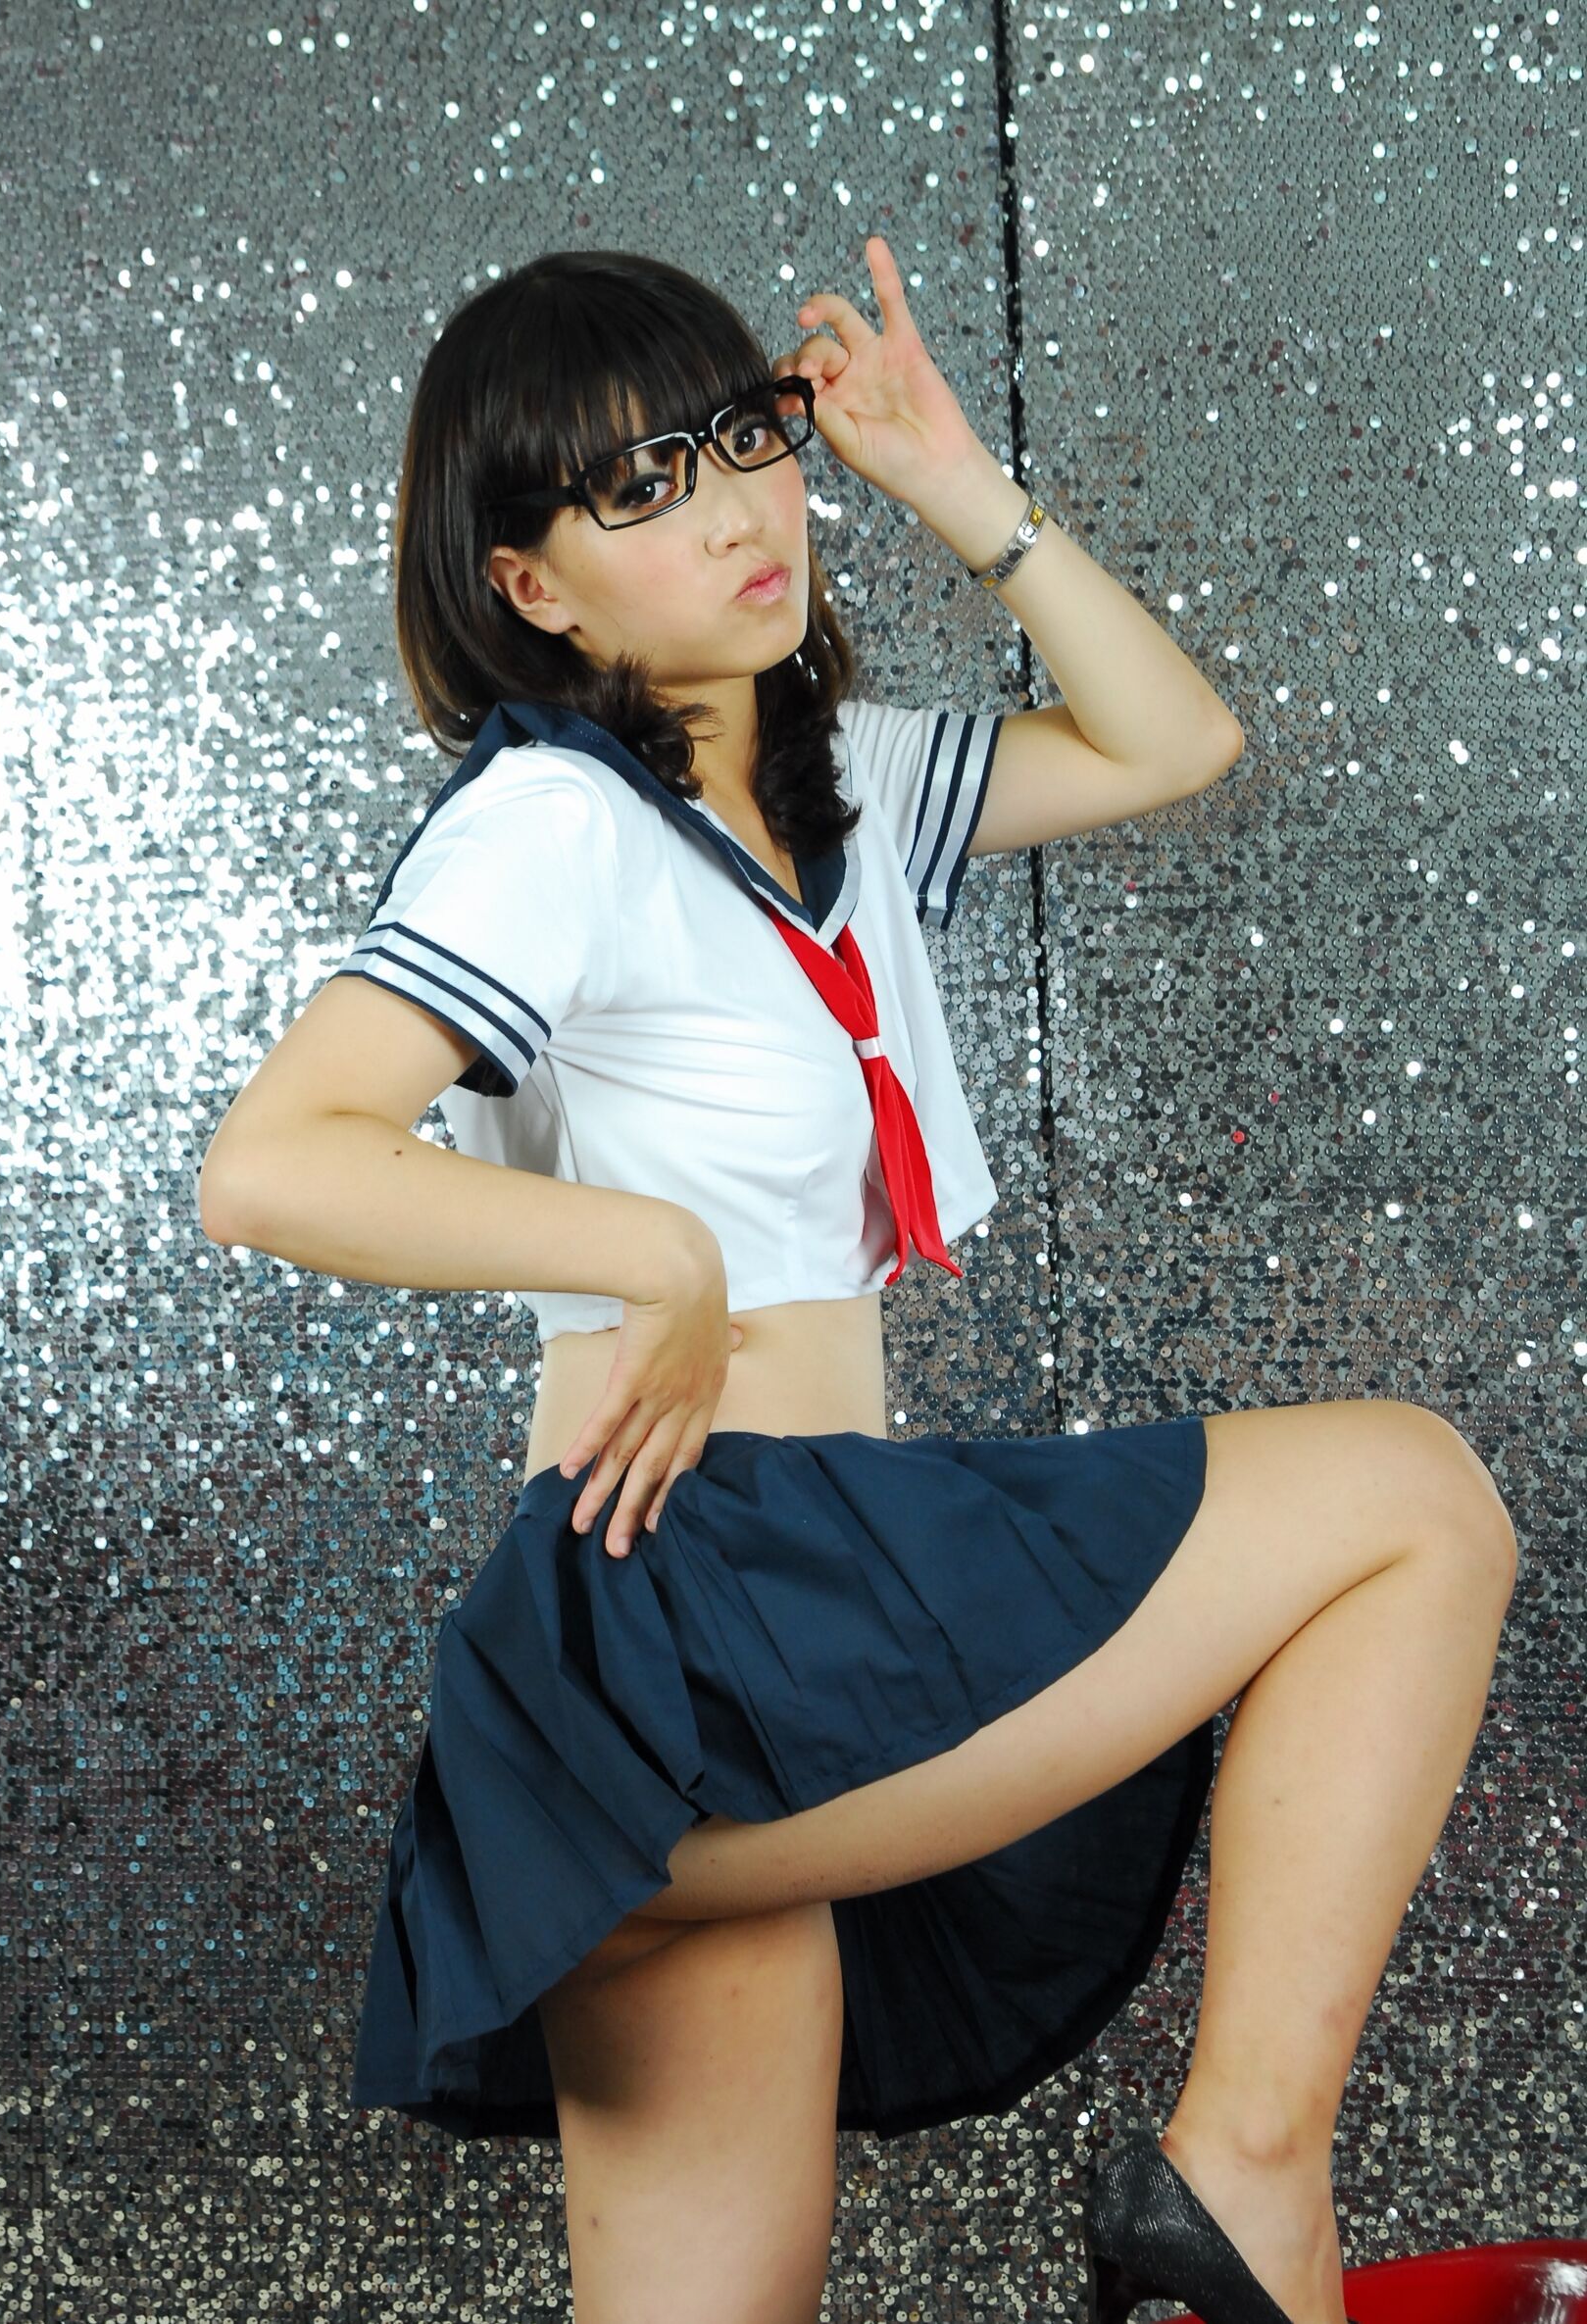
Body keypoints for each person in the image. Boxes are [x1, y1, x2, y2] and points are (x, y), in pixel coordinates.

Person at [197, 234, 1519, 2324]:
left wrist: (952, 483)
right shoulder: (553, 822)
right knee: (1415, 1499)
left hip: (747, 1646)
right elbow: (269, 1164)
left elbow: (1170, 740)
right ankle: (1240, 2178)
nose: (736, 508)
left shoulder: (843, 791)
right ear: (531, 587)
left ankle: (1232, 2191)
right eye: (641, 490)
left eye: (746, 443)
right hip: (709, 1594)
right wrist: (656, 1253)